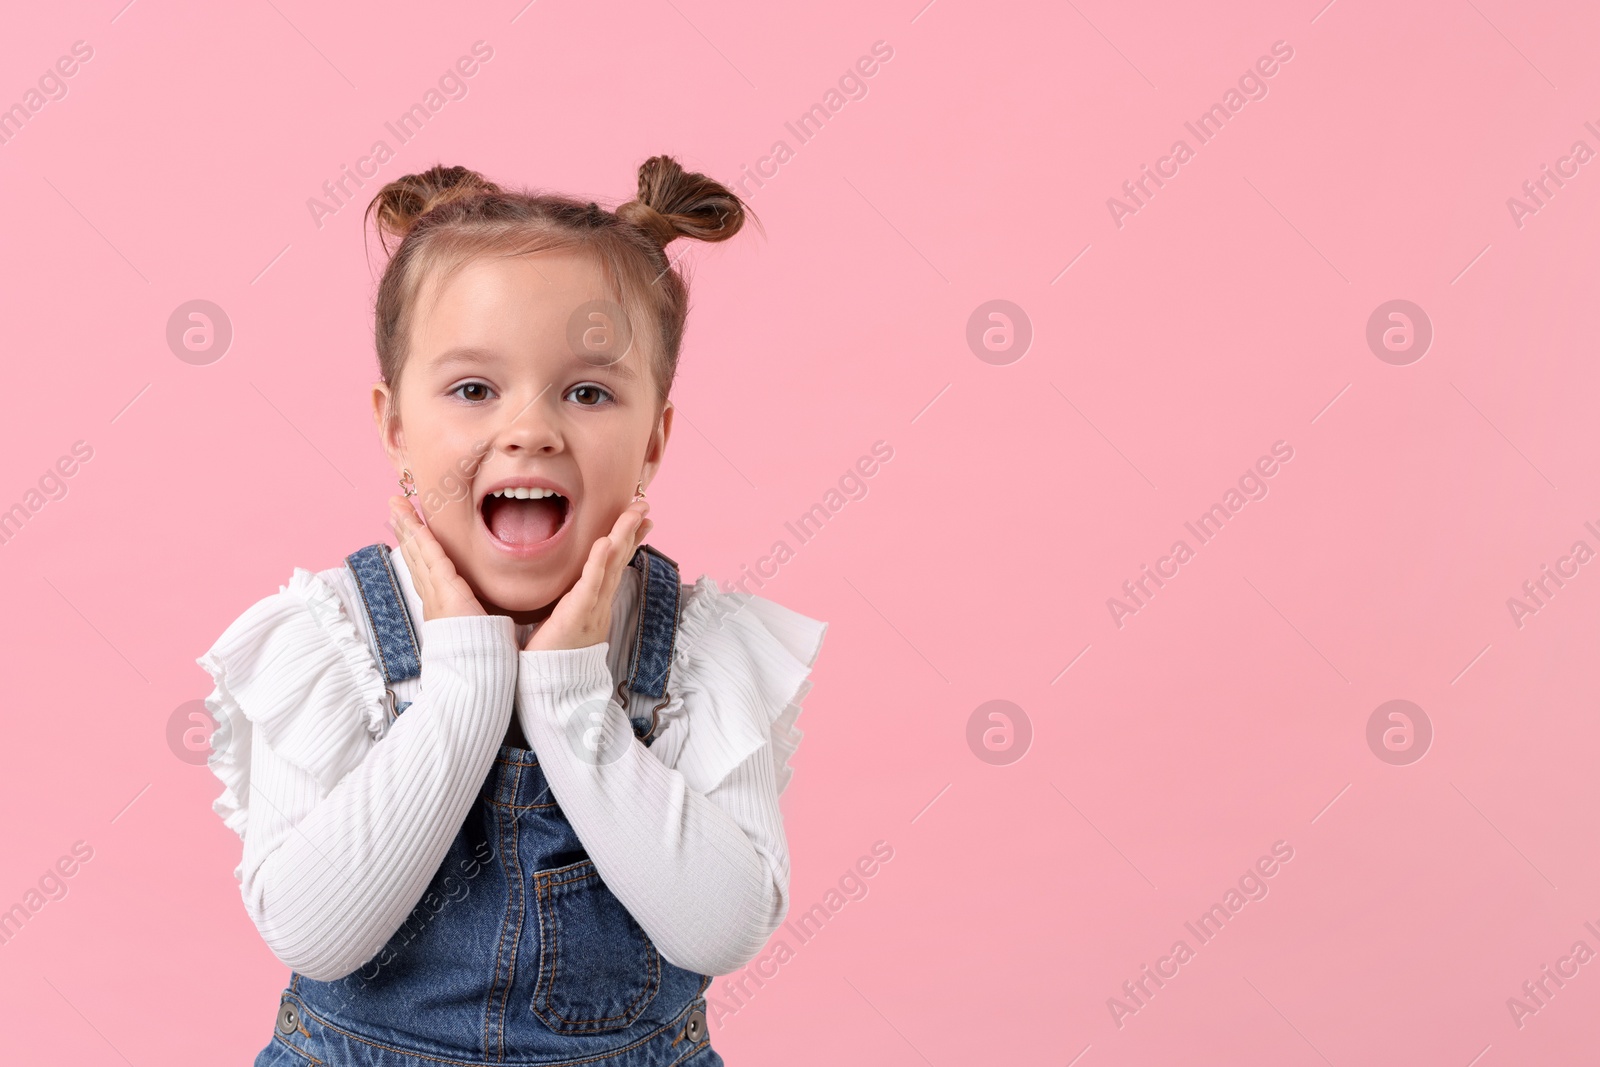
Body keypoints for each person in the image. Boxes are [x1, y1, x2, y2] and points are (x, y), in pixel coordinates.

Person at [197, 156, 826, 1065]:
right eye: (473, 390)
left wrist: (571, 699)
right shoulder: (332, 642)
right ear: (395, 429)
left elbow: (721, 930)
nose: (529, 429)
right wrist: (465, 680)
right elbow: (313, 931)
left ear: (654, 439)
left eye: (587, 391)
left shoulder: (702, 653)